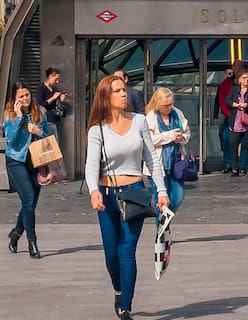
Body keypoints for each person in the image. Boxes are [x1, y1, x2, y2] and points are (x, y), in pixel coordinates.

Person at [84, 75, 170, 320]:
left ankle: (125, 307)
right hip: (107, 196)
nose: (124, 94)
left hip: (134, 193)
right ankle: (118, 290)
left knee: (126, 250)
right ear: (106, 97)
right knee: (110, 253)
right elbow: (91, 165)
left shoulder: (140, 121)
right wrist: (94, 191)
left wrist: (161, 191)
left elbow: (152, 160)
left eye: (124, 90)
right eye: (118, 91)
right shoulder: (97, 129)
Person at [4, 82, 53, 259]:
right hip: (16, 160)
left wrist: (37, 131)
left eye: (27, 95)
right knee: (29, 198)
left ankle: (16, 233)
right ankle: (33, 242)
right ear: (15, 99)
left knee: (29, 204)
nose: (25, 99)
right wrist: (18, 118)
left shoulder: (39, 112)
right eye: (21, 96)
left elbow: (48, 136)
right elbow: (10, 138)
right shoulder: (9, 114)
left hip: (36, 161)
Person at [145, 88, 189, 217]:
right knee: (161, 199)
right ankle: (161, 228)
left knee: (178, 196)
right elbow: (148, 140)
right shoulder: (151, 117)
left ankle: (166, 219)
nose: (169, 107)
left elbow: (187, 132)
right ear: (157, 103)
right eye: (166, 105)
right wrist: (169, 136)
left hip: (176, 161)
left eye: (171, 104)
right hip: (158, 163)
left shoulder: (177, 113)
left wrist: (183, 138)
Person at [226, 69, 248, 177]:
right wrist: (235, 104)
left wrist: (247, 105)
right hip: (236, 122)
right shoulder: (234, 89)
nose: (246, 80)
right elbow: (227, 101)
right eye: (244, 78)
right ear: (239, 80)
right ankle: (234, 169)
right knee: (233, 146)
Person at [214, 63, 240, 173]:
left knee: (232, 139)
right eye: (228, 73)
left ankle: (232, 163)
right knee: (224, 137)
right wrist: (215, 115)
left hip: (235, 114)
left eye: (232, 73)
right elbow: (218, 101)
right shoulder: (223, 85)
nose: (230, 75)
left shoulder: (238, 84)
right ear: (225, 74)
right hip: (225, 114)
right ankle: (227, 162)